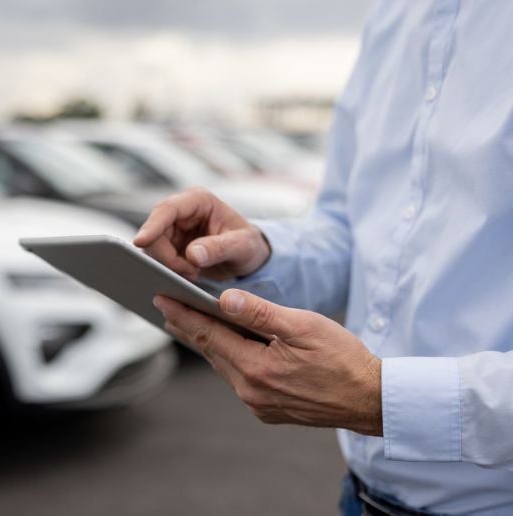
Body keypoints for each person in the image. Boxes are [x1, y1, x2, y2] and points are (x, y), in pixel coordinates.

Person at [134, 2, 513, 514]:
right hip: (359, 496)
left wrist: (378, 398)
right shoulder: (394, 17)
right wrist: (259, 253)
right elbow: (351, 231)